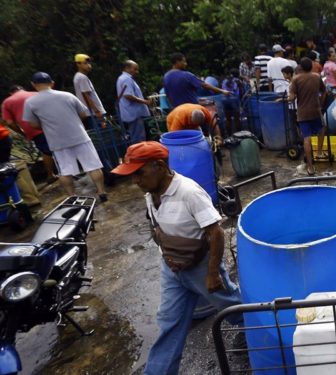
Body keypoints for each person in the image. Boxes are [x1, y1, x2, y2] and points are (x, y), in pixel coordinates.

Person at [110, 141, 242, 375]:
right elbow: (155, 224)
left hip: (201, 267)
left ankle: (260, 333)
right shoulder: (151, 192)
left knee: (231, 307)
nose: (135, 181)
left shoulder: (189, 192)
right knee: (169, 324)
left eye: (139, 173)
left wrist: (212, 273)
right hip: (172, 268)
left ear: (159, 166)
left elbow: (216, 232)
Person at [23, 72, 108, 201]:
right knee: (93, 166)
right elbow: (83, 114)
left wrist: (47, 128)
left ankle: (72, 197)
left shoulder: (30, 102)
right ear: (52, 83)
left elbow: (33, 124)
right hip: (80, 136)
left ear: (33, 85)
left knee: (65, 171)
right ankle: (101, 192)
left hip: (57, 142)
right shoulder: (67, 95)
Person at [2, 85, 57, 182]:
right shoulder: (35, 93)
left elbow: (9, 123)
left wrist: (22, 132)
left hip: (32, 129)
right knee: (60, 147)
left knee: (46, 151)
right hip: (49, 124)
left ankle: (50, 175)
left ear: (10, 93)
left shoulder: (6, 102)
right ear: (22, 89)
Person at [287, 57, 327, 176]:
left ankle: (310, 167)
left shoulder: (296, 79)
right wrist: (320, 102)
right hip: (316, 111)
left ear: (301, 67)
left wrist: (286, 98)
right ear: (311, 66)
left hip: (303, 113)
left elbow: (292, 98)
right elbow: (324, 91)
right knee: (322, 130)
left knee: (307, 139)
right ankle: (319, 152)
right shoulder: (316, 77)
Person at [163, 52, 229, 108]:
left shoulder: (166, 77)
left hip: (177, 111)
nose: (186, 64)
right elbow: (205, 85)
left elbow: (167, 95)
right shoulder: (187, 75)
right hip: (192, 109)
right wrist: (222, 91)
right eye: (184, 61)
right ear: (177, 62)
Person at [116, 60, 152, 143]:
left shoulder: (122, 78)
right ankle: (141, 155)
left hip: (131, 113)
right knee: (139, 139)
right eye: (135, 69)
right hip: (133, 114)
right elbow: (128, 95)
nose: (137, 72)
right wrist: (145, 102)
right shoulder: (126, 79)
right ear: (127, 68)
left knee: (137, 137)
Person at [73, 54, 106, 129]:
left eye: (89, 63)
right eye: (85, 63)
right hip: (94, 113)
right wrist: (97, 111)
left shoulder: (79, 76)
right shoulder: (82, 77)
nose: (88, 65)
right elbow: (86, 95)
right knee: (102, 137)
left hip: (92, 113)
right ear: (78, 64)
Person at [221, 69, 243, 135]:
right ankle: (239, 135)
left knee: (228, 119)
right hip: (234, 100)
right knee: (237, 119)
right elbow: (241, 92)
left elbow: (222, 89)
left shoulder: (224, 80)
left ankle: (229, 135)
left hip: (225, 100)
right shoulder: (238, 81)